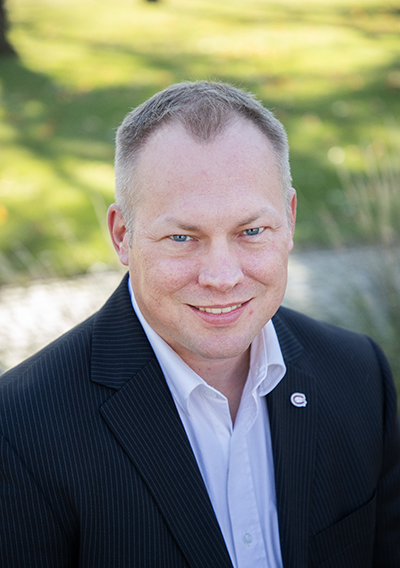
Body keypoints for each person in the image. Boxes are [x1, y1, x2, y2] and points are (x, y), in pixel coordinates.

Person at [0, 81, 399, 568]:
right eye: (182, 237)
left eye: (251, 231)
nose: (222, 277)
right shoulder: (20, 430)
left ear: (290, 220)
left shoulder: (359, 374)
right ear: (123, 236)